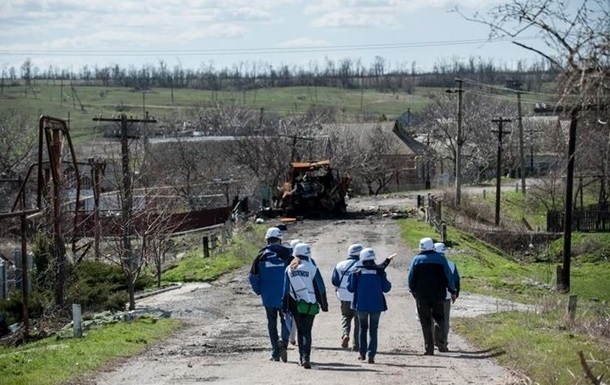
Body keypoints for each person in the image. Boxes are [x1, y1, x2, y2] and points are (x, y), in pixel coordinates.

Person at [248, 227, 293, 362]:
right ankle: (283, 342)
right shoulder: (288, 255)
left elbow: (253, 277)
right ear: (280, 239)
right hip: (285, 296)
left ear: (267, 240)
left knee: (271, 323)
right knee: (287, 320)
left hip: (268, 297)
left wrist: (259, 291)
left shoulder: (260, 256)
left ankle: (275, 353)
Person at [407, 237, 457, 356]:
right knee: (439, 318)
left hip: (422, 296)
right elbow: (448, 276)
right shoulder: (441, 259)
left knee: (425, 322)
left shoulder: (416, 260)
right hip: (438, 294)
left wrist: (413, 290)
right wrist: (452, 290)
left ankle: (428, 348)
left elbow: (411, 278)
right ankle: (440, 342)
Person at [282, 242, 329, 369]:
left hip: (295, 304)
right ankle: (305, 358)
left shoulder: (289, 269)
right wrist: (324, 304)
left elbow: (285, 290)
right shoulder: (312, 267)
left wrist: (285, 308)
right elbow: (320, 287)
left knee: (300, 330)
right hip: (310, 304)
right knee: (307, 332)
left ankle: (301, 358)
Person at [347, 247, 392, 364]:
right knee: (373, 330)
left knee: (363, 328)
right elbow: (386, 288)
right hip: (376, 305)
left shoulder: (356, 271)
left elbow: (350, 288)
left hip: (361, 305)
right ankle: (371, 355)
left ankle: (362, 354)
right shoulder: (379, 271)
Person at [331, 243, 363, 351]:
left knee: (346, 316)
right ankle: (356, 345)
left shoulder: (340, 265)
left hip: (344, 296)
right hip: (358, 297)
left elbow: (334, 281)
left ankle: (345, 333)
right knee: (358, 321)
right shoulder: (363, 265)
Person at [433, 242, 460, 352]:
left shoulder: (430, 262)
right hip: (447, 296)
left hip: (433, 295)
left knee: (432, 319)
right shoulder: (451, 264)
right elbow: (456, 281)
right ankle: (443, 342)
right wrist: (455, 294)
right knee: (444, 320)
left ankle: (433, 340)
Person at [287, 238, 302, 346]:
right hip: (301, 292)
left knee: (288, 316)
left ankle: (290, 337)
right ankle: (298, 338)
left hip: (289, 291)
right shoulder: (305, 261)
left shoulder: (287, 259)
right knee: (298, 316)